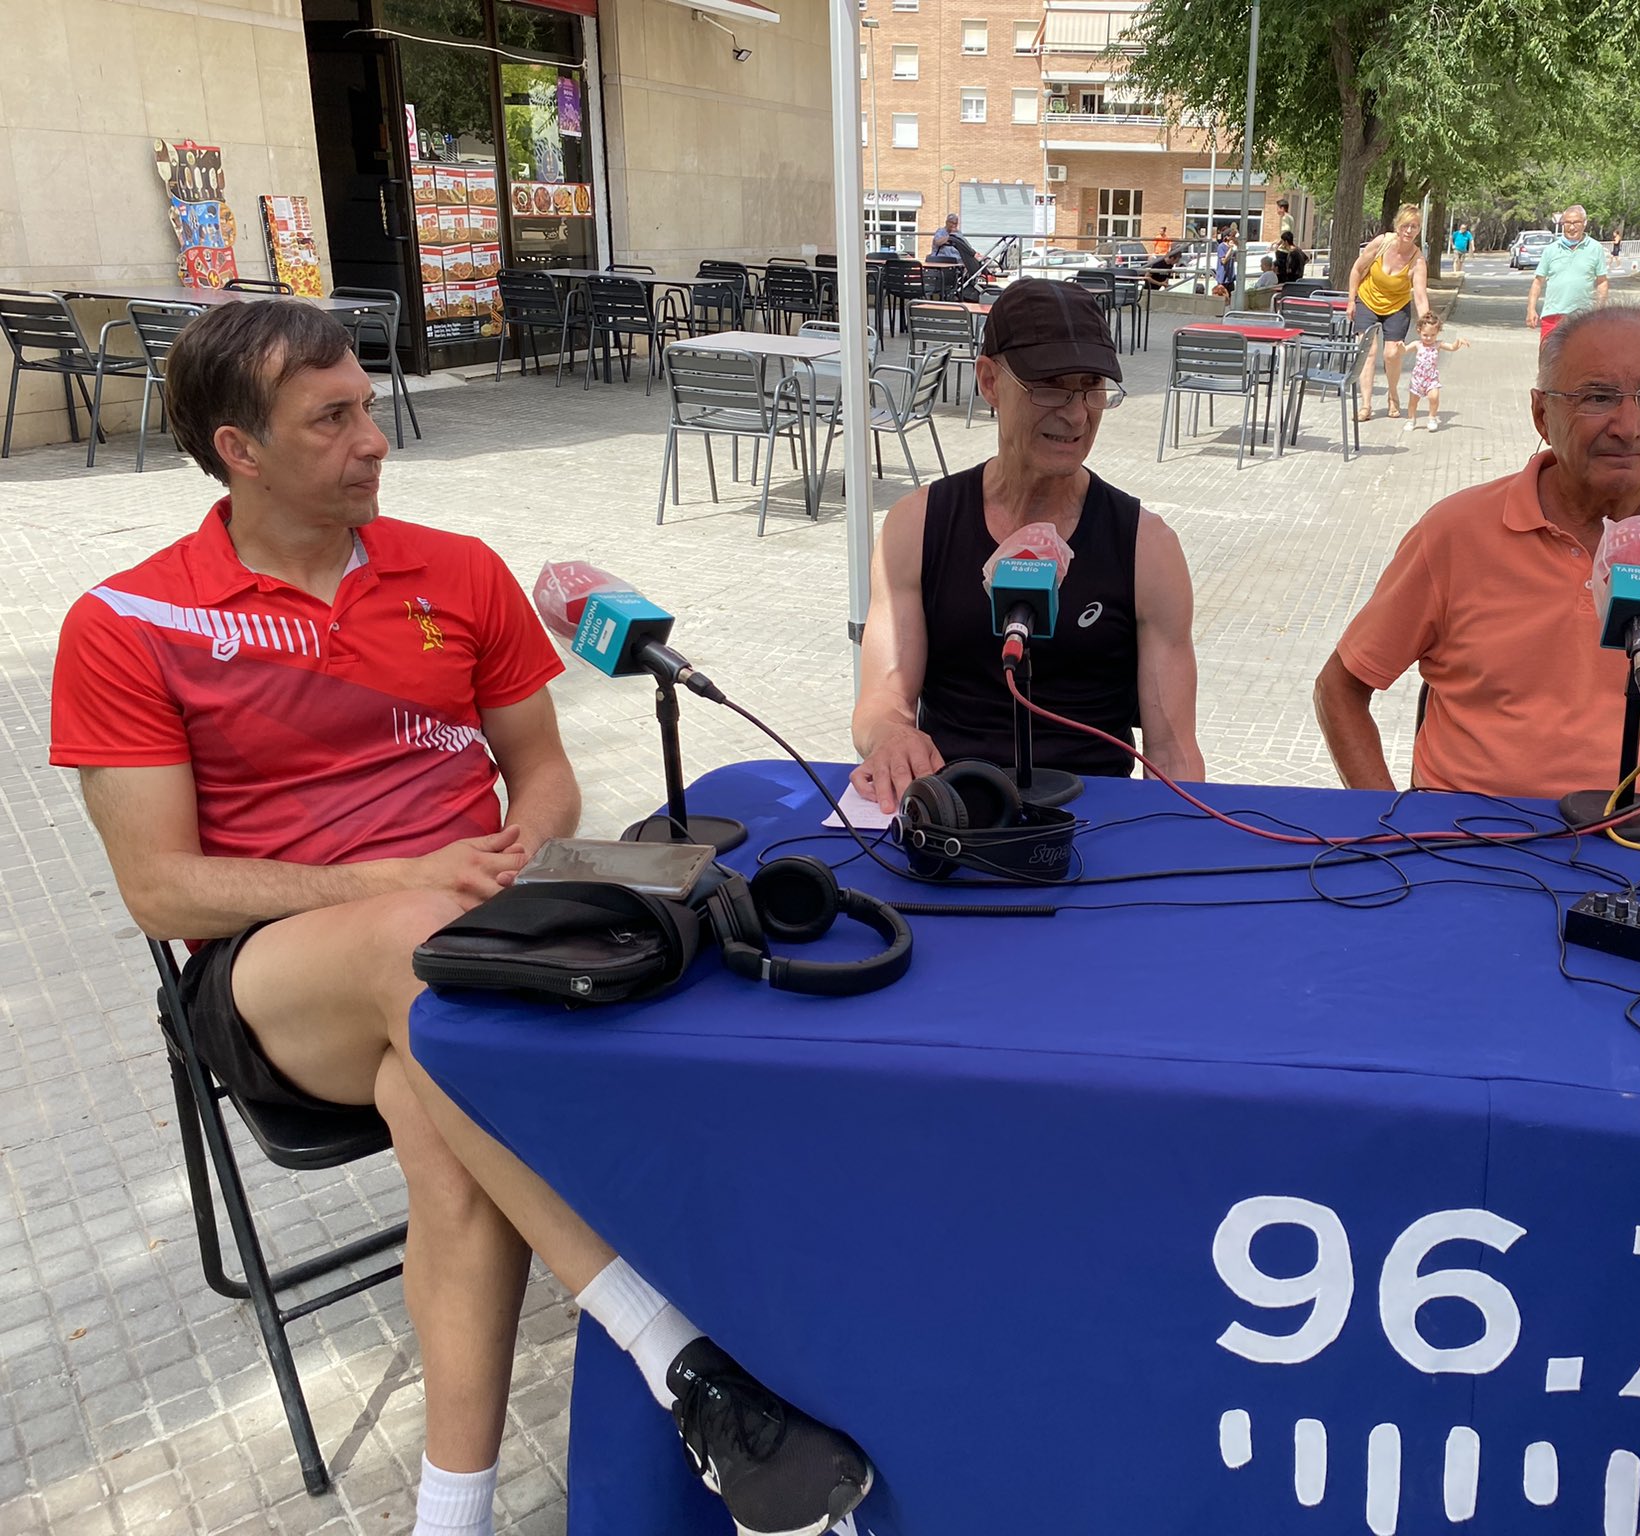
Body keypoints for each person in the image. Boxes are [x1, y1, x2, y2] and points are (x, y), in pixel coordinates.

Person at [48, 301, 875, 1536]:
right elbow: (161, 890)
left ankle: (454, 1514)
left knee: (440, 1116)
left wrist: (523, 851)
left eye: (368, 405)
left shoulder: (458, 571)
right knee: (410, 962)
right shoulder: (127, 624)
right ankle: (676, 1356)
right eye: (332, 420)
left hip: (473, 939)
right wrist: (391, 881)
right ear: (239, 451)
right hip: (278, 983)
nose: (374, 439)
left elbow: (541, 770)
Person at [1313, 306, 1640, 807]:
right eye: (1598, 397)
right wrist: (1385, 826)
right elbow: (1340, 687)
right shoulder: (1454, 534)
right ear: (1542, 413)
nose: (1629, 425)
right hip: (1475, 848)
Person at [849, 278, 1204, 813]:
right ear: (989, 381)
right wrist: (891, 735)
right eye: (1050, 386)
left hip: (1093, 824)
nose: (1077, 413)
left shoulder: (1147, 548)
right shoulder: (915, 526)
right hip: (954, 815)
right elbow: (882, 699)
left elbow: (1174, 752)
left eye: (1091, 386)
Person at [1344, 202, 1432, 423]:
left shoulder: (1418, 260)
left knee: (1392, 353)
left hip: (1396, 306)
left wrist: (1427, 324)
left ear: (1419, 230)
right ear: (1397, 225)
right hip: (1367, 300)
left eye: (1414, 227)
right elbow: (1356, 269)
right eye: (1405, 226)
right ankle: (1365, 405)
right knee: (1368, 350)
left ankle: (1393, 396)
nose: (1409, 231)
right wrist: (1351, 300)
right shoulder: (1382, 243)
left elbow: (1420, 296)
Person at [1526, 204, 1610, 342]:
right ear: (1562, 224)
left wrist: (1599, 311)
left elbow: (1602, 282)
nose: (1571, 227)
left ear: (1584, 223)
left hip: (1583, 318)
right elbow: (1537, 282)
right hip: (1553, 317)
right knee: (1550, 360)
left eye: (1576, 222)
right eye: (1567, 223)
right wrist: (1531, 309)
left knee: (1581, 360)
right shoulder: (1551, 250)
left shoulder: (1595, 248)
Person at [1393, 311, 1468, 433]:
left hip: (1431, 378)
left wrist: (1458, 342)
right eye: (1425, 335)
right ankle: (1411, 419)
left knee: (1434, 397)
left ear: (1438, 333)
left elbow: (1452, 348)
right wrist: (1400, 347)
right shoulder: (1417, 344)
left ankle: (1432, 418)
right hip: (1418, 379)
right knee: (1413, 402)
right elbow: (1404, 351)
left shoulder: (1438, 344)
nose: (1429, 338)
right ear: (1419, 331)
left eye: (1433, 335)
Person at [1214, 225, 1237, 301]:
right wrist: (1230, 248)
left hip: (1230, 277)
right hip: (1222, 278)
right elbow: (1223, 261)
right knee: (1221, 299)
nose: (1233, 238)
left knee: (1231, 298)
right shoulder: (1221, 247)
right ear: (1227, 237)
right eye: (1232, 236)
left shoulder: (1233, 247)